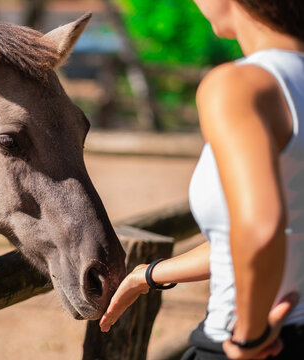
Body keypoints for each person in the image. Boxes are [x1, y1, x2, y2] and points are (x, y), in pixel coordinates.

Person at [98, 1, 304, 359]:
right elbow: (250, 236)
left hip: (254, 343)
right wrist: (148, 275)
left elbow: (261, 228)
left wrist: (249, 337)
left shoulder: (238, 85)